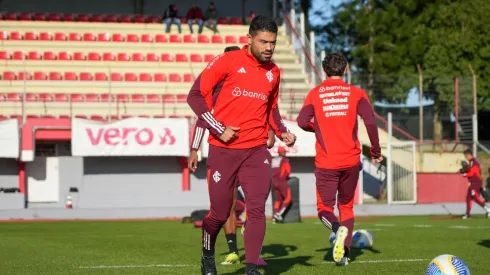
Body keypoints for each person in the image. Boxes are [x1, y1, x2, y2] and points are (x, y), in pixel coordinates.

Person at [187, 15, 296, 275]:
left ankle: (251, 269)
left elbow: (272, 109)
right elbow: (194, 96)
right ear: (249, 39)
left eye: (273, 43)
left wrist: (282, 131)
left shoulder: (275, 72)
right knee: (219, 213)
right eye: (263, 42)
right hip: (223, 151)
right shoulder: (228, 61)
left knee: (257, 208)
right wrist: (217, 128)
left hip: (257, 150)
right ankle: (207, 255)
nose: (269, 48)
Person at [296, 52, 382, 266]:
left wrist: (317, 128)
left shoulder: (316, 94)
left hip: (326, 162)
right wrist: (376, 151)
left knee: (324, 208)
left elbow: (301, 121)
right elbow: (370, 122)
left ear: (324, 71)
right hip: (351, 161)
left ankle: (337, 230)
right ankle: (344, 254)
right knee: (346, 207)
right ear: (345, 70)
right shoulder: (356, 93)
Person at [460, 149, 490, 219]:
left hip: (476, 183)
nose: (465, 157)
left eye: (465, 155)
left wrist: (464, 174)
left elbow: (472, 173)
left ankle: (488, 209)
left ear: (469, 155)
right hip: (473, 183)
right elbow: (469, 171)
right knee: (468, 198)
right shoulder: (471, 162)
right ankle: (468, 214)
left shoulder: (474, 162)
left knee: (476, 197)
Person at [271, 146, 292, 223]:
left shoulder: (273, 160)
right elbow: (288, 171)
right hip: (281, 181)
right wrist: (286, 178)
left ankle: (274, 217)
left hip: (273, 182)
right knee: (288, 198)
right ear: (282, 152)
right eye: (284, 151)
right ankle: (279, 214)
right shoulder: (284, 160)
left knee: (278, 200)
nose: (285, 153)